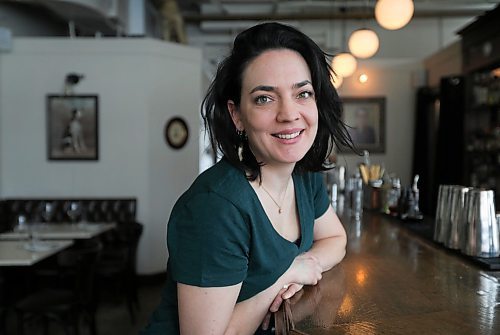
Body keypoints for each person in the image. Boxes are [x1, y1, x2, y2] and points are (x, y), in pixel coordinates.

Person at [141, 22, 353, 335]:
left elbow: (336, 240)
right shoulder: (215, 207)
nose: (289, 113)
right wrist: (286, 274)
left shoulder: (303, 175)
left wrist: (306, 267)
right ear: (237, 114)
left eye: (303, 93)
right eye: (265, 98)